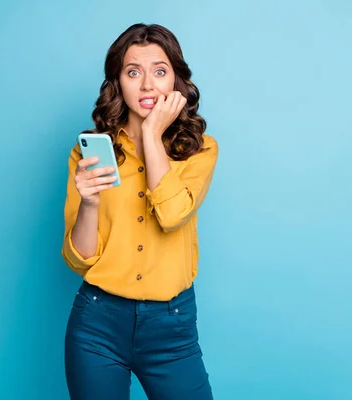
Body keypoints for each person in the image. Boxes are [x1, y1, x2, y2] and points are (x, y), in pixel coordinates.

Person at [61, 23, 218, 400]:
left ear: (176, 82)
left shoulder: (200, 150)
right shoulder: (91, 153)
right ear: (117, 81)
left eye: (160, 72)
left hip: (172, 327)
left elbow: (172, 213)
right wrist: (90, 203)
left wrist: (150, 135)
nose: (148, 85)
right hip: (98, 323)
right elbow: (79, 259)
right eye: (134, 72)